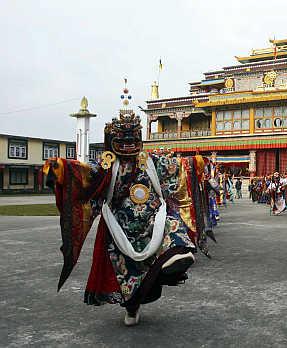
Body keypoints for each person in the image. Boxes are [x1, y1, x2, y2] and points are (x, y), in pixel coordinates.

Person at [43, 110, 209, 326]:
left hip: (151, 219)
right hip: (119, 226)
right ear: (112, 141)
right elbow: (83, 172)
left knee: (171, 223)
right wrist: (62, 168)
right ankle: (132, 308)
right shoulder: (106, 166)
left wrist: (193, 163)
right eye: (124, 140)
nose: (129, 144)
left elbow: (176, 168)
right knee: (127, 275)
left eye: (133, 139)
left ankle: (176, 257)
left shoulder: (151, 161)